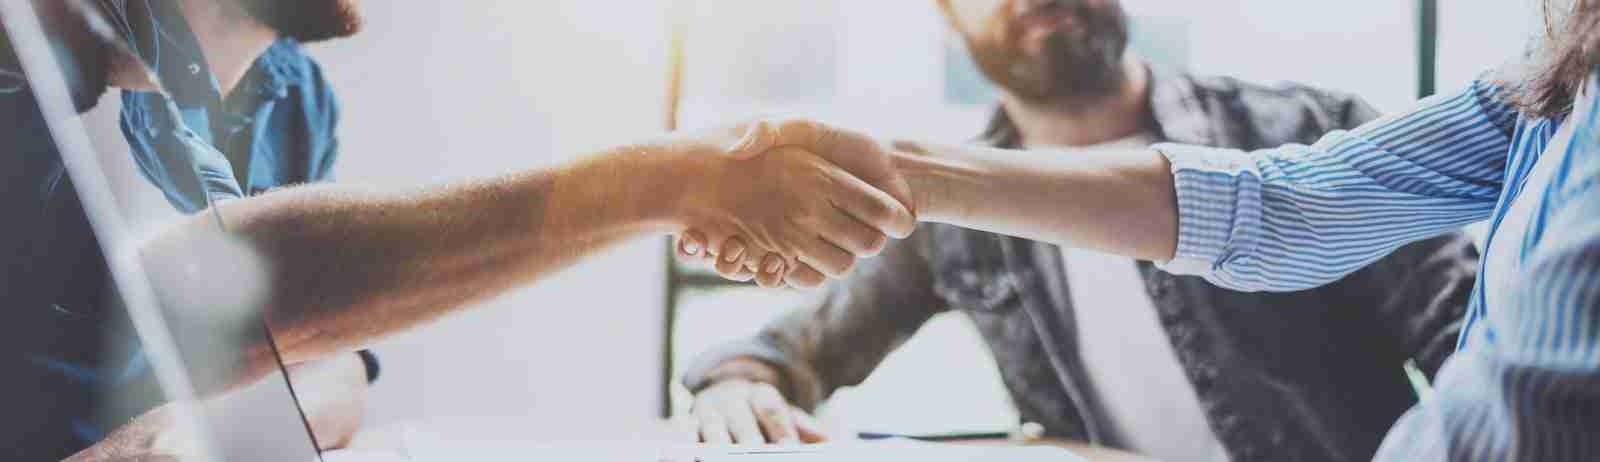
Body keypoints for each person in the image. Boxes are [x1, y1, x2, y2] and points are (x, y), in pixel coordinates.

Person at [1, 1, 914, 460]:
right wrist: (672, 178)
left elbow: (332, 360)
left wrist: (202, 431)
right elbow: (216, 287)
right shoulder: (30, 55)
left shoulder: (292, 100)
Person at [695, 0, 1600, 459]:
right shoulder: (952, 230)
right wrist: (740, 387)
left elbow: (1486, 360)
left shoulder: (1304, 125)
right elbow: (791, 349)